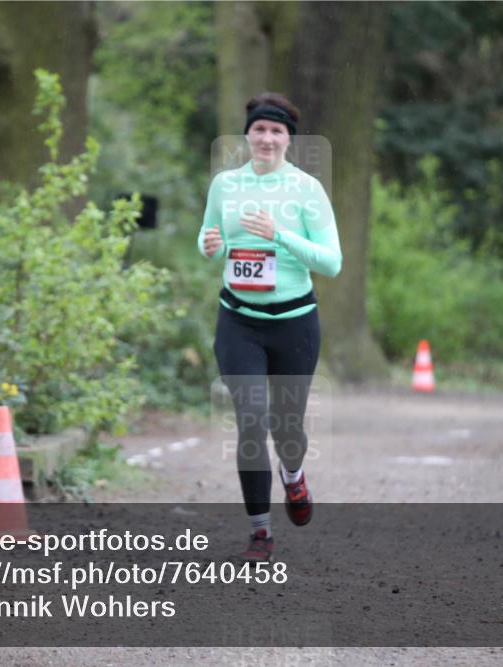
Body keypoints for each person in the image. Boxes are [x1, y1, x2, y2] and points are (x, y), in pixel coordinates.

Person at [197, 92, 342, 562]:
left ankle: (293, 476)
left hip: (295, 324)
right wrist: (211, 246)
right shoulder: (225, 184)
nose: (266, 137)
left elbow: (332, 262)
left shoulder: (306, 189)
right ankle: (260, 531)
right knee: (251, 419)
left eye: (276, 131)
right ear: (248, 134)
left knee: (287, 429)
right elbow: (209, 238)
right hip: (238, 322)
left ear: (288, 140)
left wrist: (278, 235)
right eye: (259, 129)